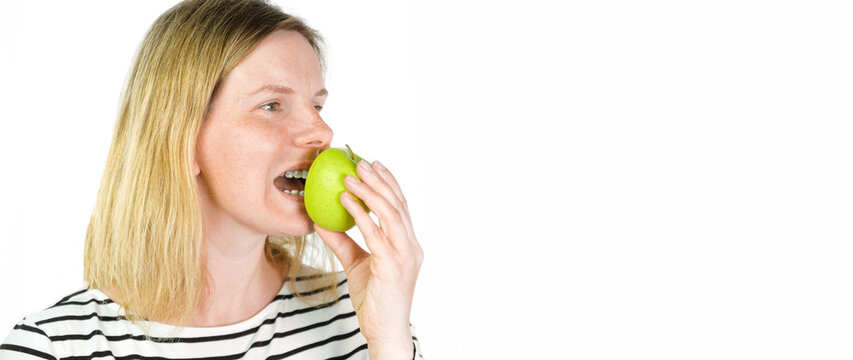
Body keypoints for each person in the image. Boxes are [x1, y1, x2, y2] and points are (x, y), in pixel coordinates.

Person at [0, 0, 424, 359]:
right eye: (273, 105)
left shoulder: (360, 315)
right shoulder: (53, 346)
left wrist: (389, 342)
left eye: (317, 105)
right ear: (181, 138)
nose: (322, 133)